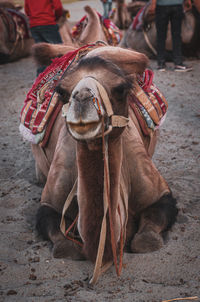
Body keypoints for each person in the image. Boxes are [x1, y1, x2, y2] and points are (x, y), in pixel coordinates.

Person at [149, 0, 193, 71]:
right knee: (177, 35)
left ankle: (161, 64)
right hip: (177, 4)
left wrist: (153, 3)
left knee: (161, 35)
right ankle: (178, 63)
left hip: (162, 5)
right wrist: (188, 1)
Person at [24, 0, 64, 75]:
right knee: (58, 51)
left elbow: (27, 11)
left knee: (40, 53)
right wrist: (55, 18)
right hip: (48, 23)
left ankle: (41, 78)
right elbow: (58, 8)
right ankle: (59, 75)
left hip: (34, 25)